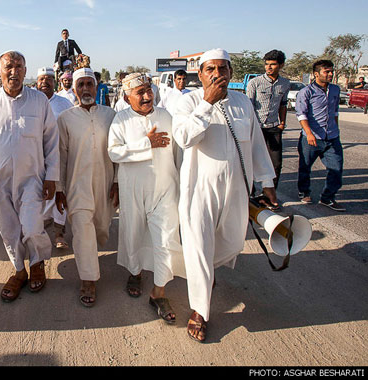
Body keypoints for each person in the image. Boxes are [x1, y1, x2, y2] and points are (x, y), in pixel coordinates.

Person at [172, 48, 277, 342]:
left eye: (223, 69)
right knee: (198, 248)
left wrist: (267, 180)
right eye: (210, 69)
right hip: (199, 190)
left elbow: (256, 143)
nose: (217, 74)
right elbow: (183, 138)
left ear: (231, 72)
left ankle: (206, 276)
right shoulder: (189, 102)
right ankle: (200, 311)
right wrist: (206, 104)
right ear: (201, 74)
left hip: (236, 190)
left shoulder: (243, 102)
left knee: (230, 243)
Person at [0, 50, 59, 302]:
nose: (14, 71)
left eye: (19, 66)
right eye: (9, 67)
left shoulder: (39, 101)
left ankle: (38, 262)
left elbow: (51, 142)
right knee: (8, 229)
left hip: (32, 178)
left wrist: (52, 176)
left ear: (26, 72)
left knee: (31, 224)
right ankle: (19, 270)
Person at [108, 73, 185, 323]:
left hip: (164, 189)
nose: (147, 96)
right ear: (127, 96)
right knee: (132, 232)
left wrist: (184, 185)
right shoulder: (120, 120)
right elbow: (114, 153)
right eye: (140, 92)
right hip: (133, 189)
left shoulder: (165, 117)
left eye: (149, 90)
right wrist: (146, 144)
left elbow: (178, 153)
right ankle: (135, 272)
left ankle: (159, 291)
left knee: (166, 238)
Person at [56, 67, 118, 307]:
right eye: (80, 85)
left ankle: (92, 256)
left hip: (105, 182)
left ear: (96, 87)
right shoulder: (65, 118)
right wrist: (60, 188)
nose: (85, 89)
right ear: (74, 90)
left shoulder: (110, 115)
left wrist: (116, 182)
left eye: (88, 84)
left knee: (101, 227)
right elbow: (60, 155)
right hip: (76, 184)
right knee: (82, 229)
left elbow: (118, 153)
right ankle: (88, 279)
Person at [295, 60, 344, 212]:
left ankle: (327, 197)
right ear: (316, 74)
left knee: (336, 168)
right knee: (305, 167)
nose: (330, 74)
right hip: (311, 137)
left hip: (331, 137)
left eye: (331, 71)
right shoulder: (306, 92)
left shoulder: (335, 90)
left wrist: (336, 129)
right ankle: (304, 192)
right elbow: (301, 115)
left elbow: (335, 111)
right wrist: (309, 134)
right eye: (326, 71)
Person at [36, 66, 73, 249]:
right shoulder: (31, 102)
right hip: (36, 158)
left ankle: (59, 233)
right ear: (36, 83)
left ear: (54, 82)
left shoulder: (65, 103)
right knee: (38, 193)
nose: (44, 83)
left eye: (48, 79)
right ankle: (41, 224)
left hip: (59, 156)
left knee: (60, 192)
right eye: (41, 79)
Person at [246, 50, 290, 200]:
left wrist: (282, 122)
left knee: (275, 164)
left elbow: (283, 104)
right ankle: (249, 193)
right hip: (256, 127)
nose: (269, 67)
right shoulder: (255, 83)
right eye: (267, 64)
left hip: (273, 127)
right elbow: (248, 106)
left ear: (281, 65)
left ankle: (269, 195)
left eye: (273, 64)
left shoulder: (285, 84)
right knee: (250, 161)